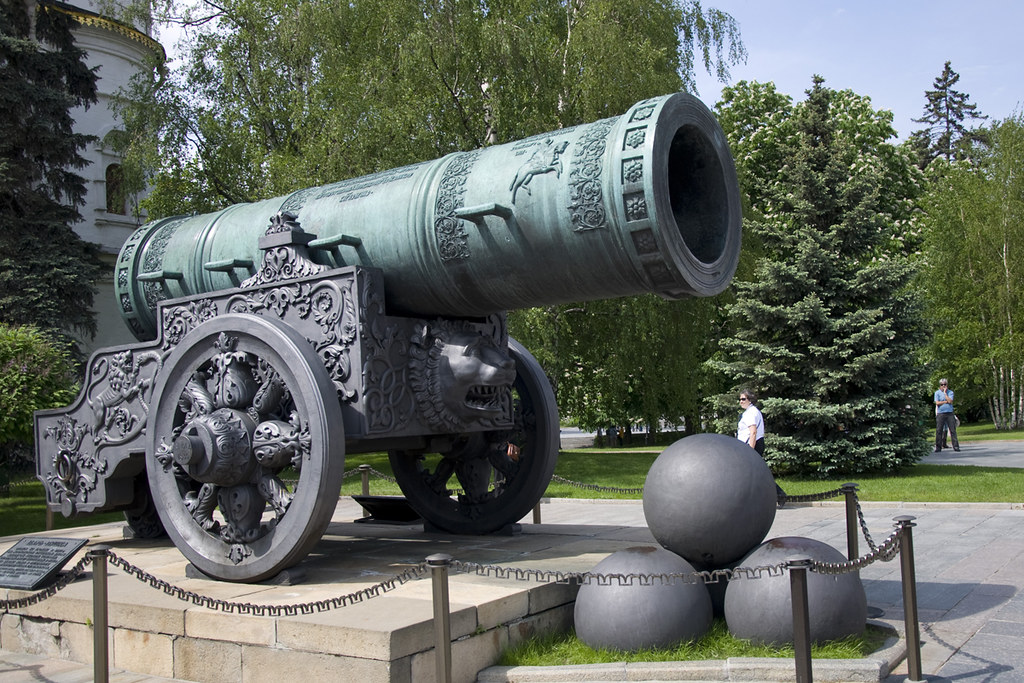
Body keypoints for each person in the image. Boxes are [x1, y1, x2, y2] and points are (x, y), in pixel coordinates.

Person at [737, 389, 786, 504]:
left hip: (751, 445)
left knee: (755, 473)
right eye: (740, 399)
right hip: (754, 444)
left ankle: (779, 494)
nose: (741, 401)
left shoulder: (750, 413)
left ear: (750, 400)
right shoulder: (753, 411)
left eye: (743, 399)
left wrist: (750, 450)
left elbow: (753, 432)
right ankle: (776, 495)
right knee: (754, 473)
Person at [934, 378, 960, 453]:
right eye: (942, 385)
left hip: (949, 413)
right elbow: (937, 403)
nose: (943, 386)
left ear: (947, 385)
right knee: (939, 430)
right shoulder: (937, 393)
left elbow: (950, 401)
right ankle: (938, 447)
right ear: (940, 385)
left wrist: (945, 394)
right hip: (941, 413)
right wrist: (945, 402)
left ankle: (956, 446)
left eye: (945, 384)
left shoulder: (950, 392)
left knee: (953, 430)